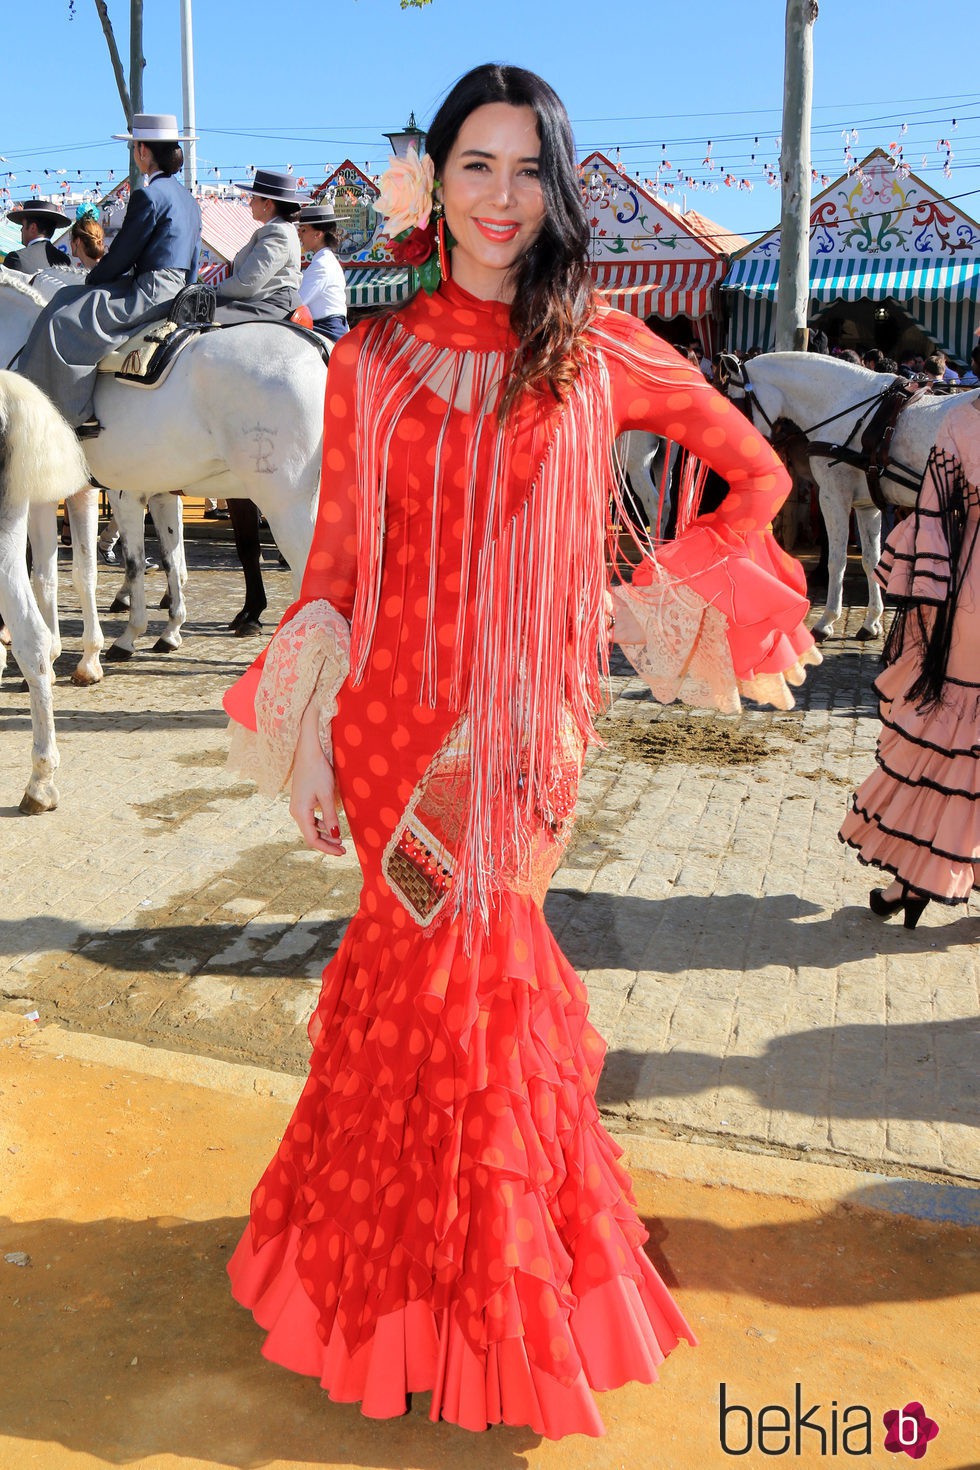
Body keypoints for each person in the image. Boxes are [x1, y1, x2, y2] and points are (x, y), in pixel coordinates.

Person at [222, 63, 819, 1438]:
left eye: (528, 168)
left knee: (486, 988)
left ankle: (483, 1294)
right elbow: (336, 563)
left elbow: (760, 475)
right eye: (476, 165)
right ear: (434, 182)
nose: (504, 197)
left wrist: (656, 600)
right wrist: (305, 741)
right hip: (382, 727)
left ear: (559, 187)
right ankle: (398, 1284)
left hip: (527, 737)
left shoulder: (600, 348)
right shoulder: (369, 358)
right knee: (411, 985)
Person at [840, 395, 980, 927]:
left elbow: (935, 518)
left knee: (951, 738)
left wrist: (926, 601)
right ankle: (922, 877)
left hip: (971, 591)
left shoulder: (964, 422)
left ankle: (912, 881)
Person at [17, 113, 201, 430]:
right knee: (65, 295)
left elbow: (124, 254)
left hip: (150, 291)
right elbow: (194, 258)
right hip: (182, 289)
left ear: (143, 151)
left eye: (134, 148)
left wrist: (95, 280)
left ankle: (72, 414)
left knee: (64, 319)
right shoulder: (188, 199)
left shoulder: (149, 195)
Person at [213, 169, 302, 324]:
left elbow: (247, 283)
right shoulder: (281, 229)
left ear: (267, 204)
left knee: (200, 316)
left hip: (272, 305)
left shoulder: (277, 232)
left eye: (254, 198)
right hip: (269, 302)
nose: (250, 202)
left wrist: (212, 291)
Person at [296, 202, 349, 341]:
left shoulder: (322, 264)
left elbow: (298, 300)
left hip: (327, 330)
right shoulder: (324, 260)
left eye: (303, 230)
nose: (299, 236)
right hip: (327, 327)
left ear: (318, 234)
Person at [3, 199, 73, 274]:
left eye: (23, 226)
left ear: (33, 227)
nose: (21, 230)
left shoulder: (17, 258)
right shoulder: (65, 259)